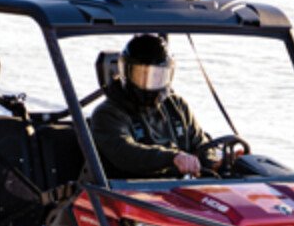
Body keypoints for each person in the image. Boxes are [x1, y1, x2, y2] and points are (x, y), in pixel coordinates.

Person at [91, 34, 218, 178]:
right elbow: (125, 153)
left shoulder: (177, 106)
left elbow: (201, 144)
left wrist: (215, 163)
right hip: (132, 191)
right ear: (126, 73)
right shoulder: (107, 114)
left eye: (158, 76)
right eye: (141, 75)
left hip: (181, 188)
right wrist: (172, 158)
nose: (149, 83)